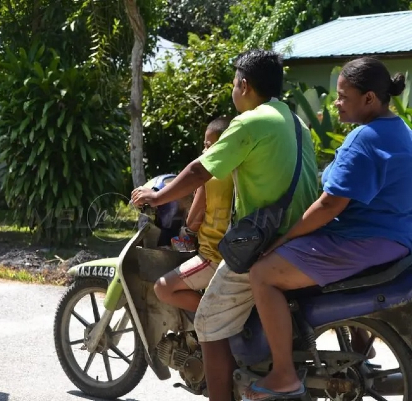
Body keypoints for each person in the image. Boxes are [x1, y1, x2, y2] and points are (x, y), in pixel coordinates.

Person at [131, 49, 320, 401]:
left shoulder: (251, 121)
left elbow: (199, 170)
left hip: (264, 244)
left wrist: (158, 197)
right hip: (302, 237)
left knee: (207, 322)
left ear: (244, 85)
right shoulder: (297, 123)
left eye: (234, 84)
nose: (233, 91)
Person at [244, 57, 412, 401]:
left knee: (262, 274)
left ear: (369, 99)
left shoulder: (364, 139)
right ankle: (360, 345)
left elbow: (329, 205)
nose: (336, 103)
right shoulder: (402, 132)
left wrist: (284, 238)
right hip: (396, 241)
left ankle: (284, 375)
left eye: (343, 96)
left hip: (359, 240)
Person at [154, 116, 233, 314]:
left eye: (208, 145)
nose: (204, 151)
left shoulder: (209, 176)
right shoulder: (238, 172)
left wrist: (186, 229)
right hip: (236, 252)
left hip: (214, 256)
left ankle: (213, 316)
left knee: (162, 288)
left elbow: (194, 220)